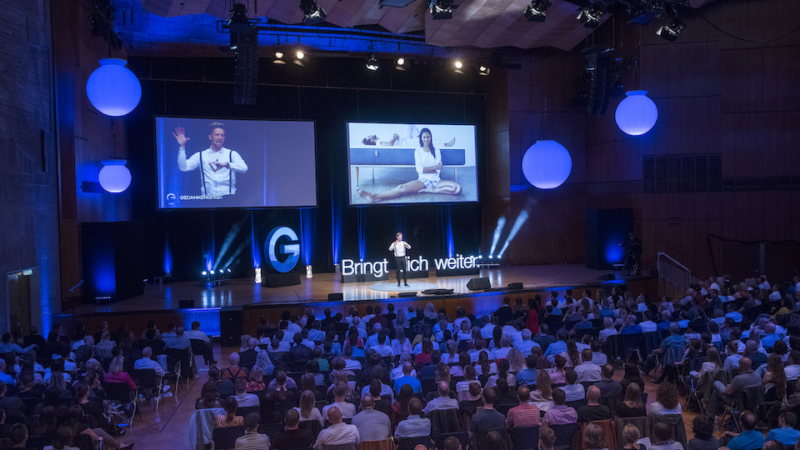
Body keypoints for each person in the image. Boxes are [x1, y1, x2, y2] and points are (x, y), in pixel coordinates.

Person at [356, 128, 463, 203]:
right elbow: (420, 170)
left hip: (436, 181)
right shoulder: (418, 151)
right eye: (424, 137)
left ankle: (432, 190)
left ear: (431, 138)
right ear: (421, 138)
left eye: (428, 137)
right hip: (423, 181)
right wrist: (434, 167)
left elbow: (438, 171)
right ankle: (373, 196)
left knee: (458, 188)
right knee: (401, 188)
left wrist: (432, 171)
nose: (426, 139)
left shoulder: (437, 151)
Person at [174, 122, 248, 197]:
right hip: (208, 199)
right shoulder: (200, 155)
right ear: (210, 137)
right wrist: (182, 146)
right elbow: (183, 167)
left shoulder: (232, 154)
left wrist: (226, 164)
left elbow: (244, 168)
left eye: (222, 135)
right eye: (217, 135)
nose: (220, 138)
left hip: (229, 198)